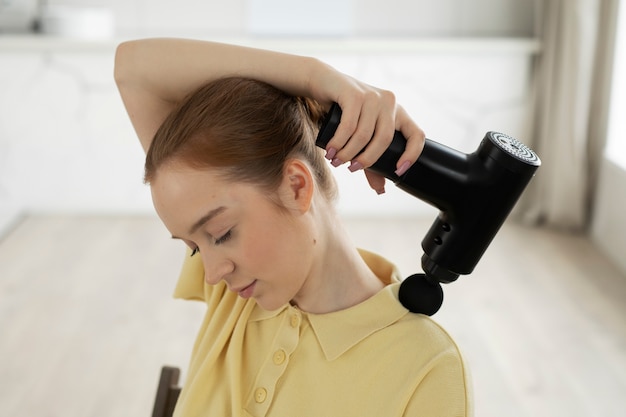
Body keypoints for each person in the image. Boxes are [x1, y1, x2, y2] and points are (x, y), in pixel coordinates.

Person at [114, 38, 472, 417]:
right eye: (195, 247)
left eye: (221, 234)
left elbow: (134, 72)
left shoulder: (425, 367)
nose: (213, 274)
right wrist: (316, 79)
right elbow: (133, 70)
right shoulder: (235, 300)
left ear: (297, 186)